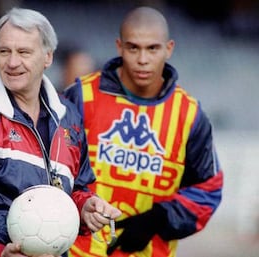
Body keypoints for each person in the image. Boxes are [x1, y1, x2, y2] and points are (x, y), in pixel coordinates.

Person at [0, 7, 121, 257]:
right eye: (4, 51)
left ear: (47, 57)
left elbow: (78, 187)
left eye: (23, 52)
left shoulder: (69, 118)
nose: (12, 63)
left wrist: (85, 207)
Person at [64, 6, 223, 257]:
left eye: (153, 48)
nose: (142, 59)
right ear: (119, 47)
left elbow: (208, 190)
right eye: (133, 47)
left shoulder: (189, 115)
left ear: (169, 49)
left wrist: (156, 220)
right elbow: (51, 172)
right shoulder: (81, 97)